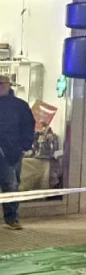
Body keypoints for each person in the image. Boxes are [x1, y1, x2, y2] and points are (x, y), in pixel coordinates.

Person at [0, 74, 34, 230]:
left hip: (11, 152)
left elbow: (28, 126)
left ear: (8, 85)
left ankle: (11, 218)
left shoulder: (20, 106)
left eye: (2, 84)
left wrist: (23, 147)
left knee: (11, 185)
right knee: (11, 184)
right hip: (10, 150)